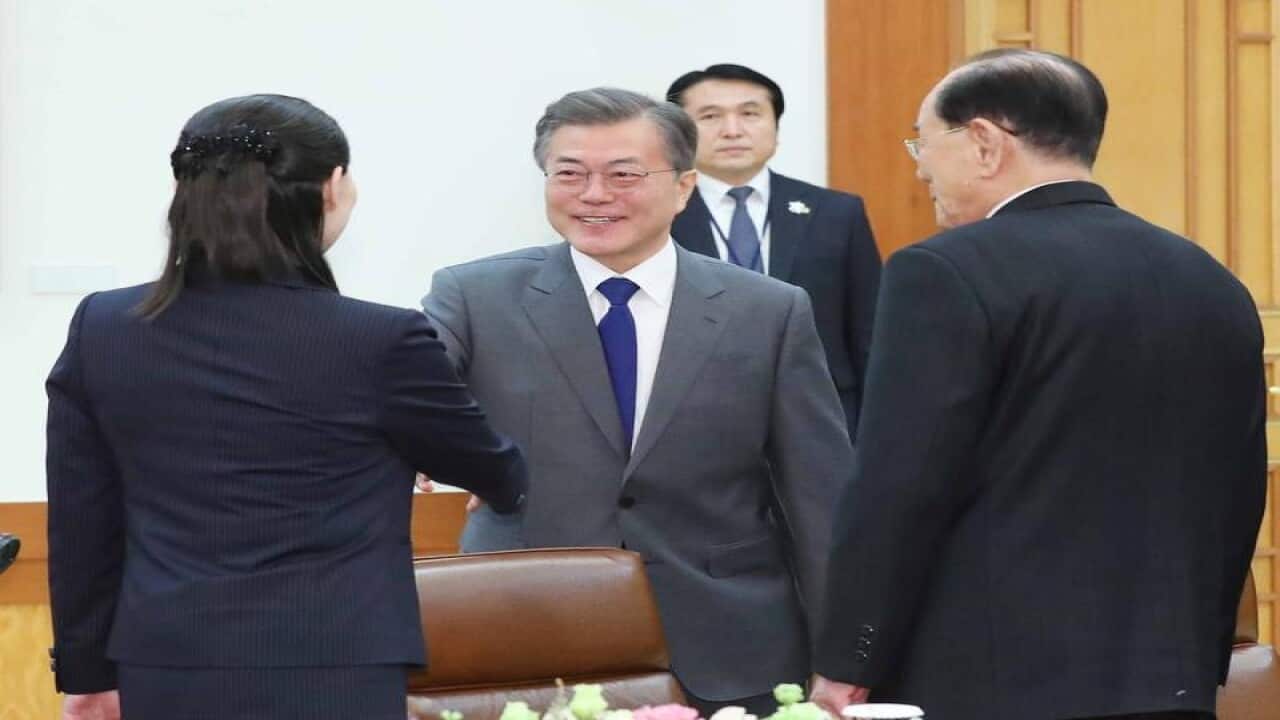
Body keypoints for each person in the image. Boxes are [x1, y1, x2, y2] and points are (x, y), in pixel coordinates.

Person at [809, 49, 1266, 720]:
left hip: (988, 681)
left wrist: (850, 659)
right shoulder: (1211, 280)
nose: (919, 165)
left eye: (924, 141)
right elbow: (1239, 489)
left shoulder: (941, 272)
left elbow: (901, 482)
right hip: (1171, 678)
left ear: (986, 143)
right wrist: (1192, 653)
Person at [45, 94, 527, 720]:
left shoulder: (105, 324)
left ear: (183, 189)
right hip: (337, 659)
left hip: (165, 658)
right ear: (331, 188)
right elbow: (492, 469)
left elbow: (82, 517)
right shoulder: (379, 338)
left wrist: (84, 671)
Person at [420, 87, 852, 717]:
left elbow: (818, 493)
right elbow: (406, 388)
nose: (594, 195)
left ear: (683, 187)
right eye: (569, 174)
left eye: (624, 175)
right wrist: (439, 446)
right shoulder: (473, 295)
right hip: (525, 631)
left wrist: (841, 657)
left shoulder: (769, 310)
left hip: (728, 645)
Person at [666, 64, 881, 438]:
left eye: (750, 114)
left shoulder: (837, 212)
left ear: (776, 129)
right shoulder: (658, 215)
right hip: (692, 421)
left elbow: (869, 334)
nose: (732, 130)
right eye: (710, 116)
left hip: (821, 418)